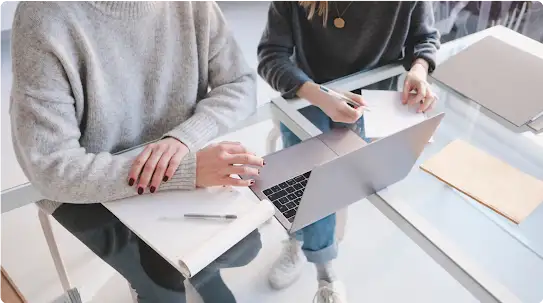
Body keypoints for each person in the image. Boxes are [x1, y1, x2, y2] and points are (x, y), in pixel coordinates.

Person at [10, 1, 263, 302]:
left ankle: (200, 276)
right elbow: (51, 167)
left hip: (178, 160)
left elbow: (239, 83)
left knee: (245, 247)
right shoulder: (44, 15)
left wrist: (184, 138)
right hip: (85, 186)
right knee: (164, 282)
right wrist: (184, 172)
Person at [257, 0, 440, 302]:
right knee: (309, 168)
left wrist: (419, 71)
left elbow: (424, 39)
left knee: (327, 177)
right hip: (308, 91)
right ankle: (322, 267)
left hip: (372, 98)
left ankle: (300, 236)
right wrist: (318, 95)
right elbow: (271, 56)